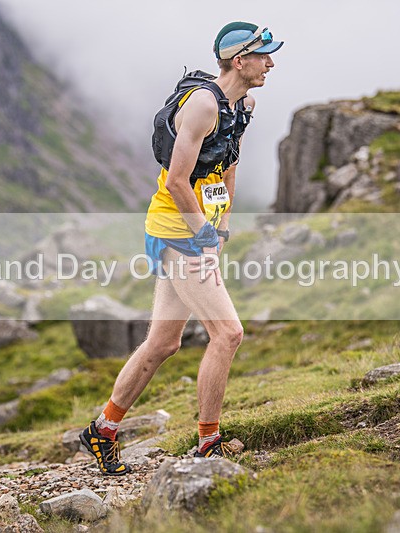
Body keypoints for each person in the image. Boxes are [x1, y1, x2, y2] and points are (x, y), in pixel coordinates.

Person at [80, 22, 283, 475]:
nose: (270, 62)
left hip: (199, 229)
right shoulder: (203, 105)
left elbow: (230, 165)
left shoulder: (243, 105)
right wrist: (203, 235)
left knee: (163, 343)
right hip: (176, 231)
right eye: (263, 55)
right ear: (238, 60)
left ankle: (103, 430)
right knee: (228, 334)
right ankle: (209, 441)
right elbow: (175, 180)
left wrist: (223, 225)